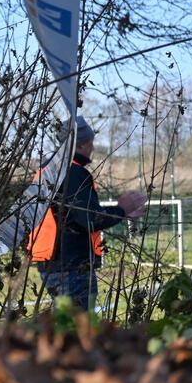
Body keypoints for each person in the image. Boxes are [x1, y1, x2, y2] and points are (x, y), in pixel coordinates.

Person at [27, 116, 147, 312]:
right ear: (80, 143)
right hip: (71, 266)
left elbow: (74, 216)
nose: (93, 147)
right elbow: (89, 219)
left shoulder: (49, 169)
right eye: (91, 142)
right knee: (78, 328)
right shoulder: (72, 172)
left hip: (52, 262)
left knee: (65, 326)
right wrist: (122, 209)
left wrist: (119, 214)